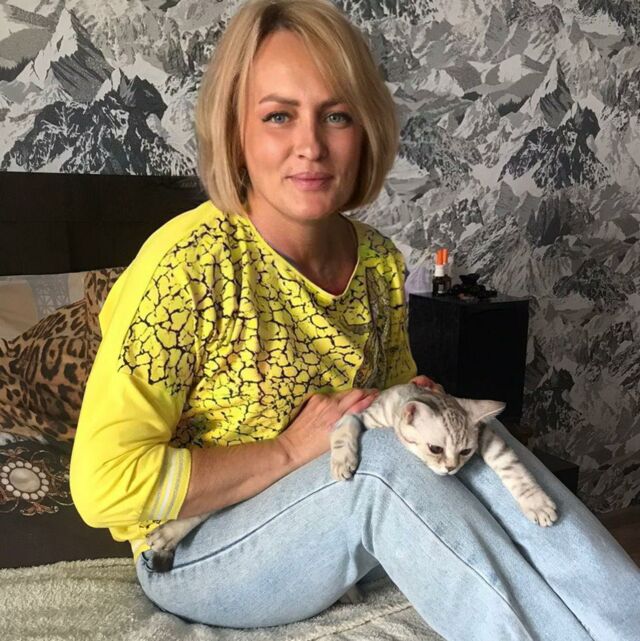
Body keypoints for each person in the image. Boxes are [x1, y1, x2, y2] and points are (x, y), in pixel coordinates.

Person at [70, 1, 640, 639]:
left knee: (475, 435)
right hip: (193, 552)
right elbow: (103, 485)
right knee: (380, 466)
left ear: (365, 129)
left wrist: (420, 399)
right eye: (278, 115)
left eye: (336, 116)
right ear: (235, 132)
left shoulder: (376, 260)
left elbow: (392, 397)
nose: (311, 146)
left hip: (321, 515)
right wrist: (288, 450)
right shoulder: (187, 266)